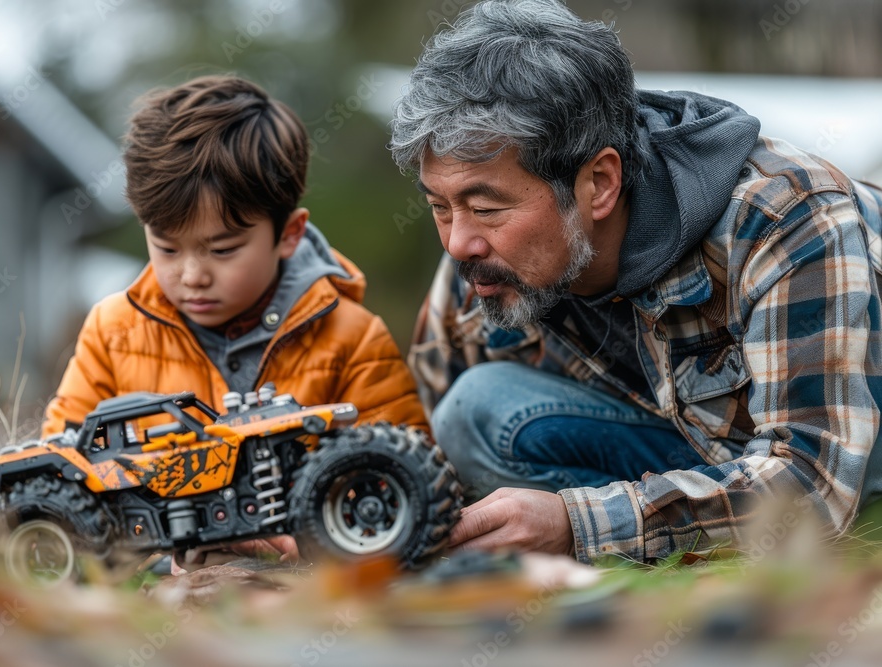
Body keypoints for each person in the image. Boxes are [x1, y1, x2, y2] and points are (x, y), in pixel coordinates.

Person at [390, 0, 882, 564]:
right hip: (698, 456)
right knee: (475, 409)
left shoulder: (782, 218)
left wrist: (579, 526)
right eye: (440, 207)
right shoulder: (487, 258)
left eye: (484, 206)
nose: (458, 243)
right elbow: (420, 432)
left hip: (848, 452)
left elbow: (814, 480)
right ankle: (670, 542)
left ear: (599, 182)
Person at [44, 74, 427, 441]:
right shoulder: (113, 335)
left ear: (289, 234)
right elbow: (59, 468)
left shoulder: (353, 342)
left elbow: (407, 472)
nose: (192, 276)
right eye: (167, 248)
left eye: (223, 250)